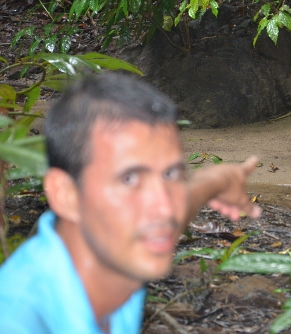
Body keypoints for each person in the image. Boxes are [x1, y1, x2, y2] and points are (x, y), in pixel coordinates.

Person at [0, 72, 261, 333]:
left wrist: (216, 180)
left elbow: (182, 205)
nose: (166, 208)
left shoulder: (114, 246)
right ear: (66, 194)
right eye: (129, 178)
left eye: (171, 174)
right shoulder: (19, 319)